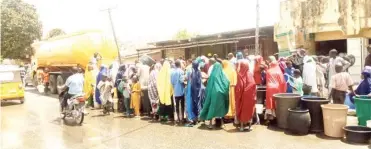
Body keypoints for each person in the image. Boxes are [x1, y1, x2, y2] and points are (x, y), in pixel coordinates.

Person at [199, 62, 230, 129]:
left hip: (212, 94)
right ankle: (221, 123)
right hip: (221, 95)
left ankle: (210, 124)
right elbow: (227, 83)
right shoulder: (222, 75)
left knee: (211, 108)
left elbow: (209, 86)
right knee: (221, 109)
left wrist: (208, 93)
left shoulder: (212, 75)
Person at [234, 60, 256, 131]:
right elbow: (252, 84)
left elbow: (238, 86)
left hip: (242, 95)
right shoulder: (249, 73)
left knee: (242, 110)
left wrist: (240, 93)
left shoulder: (239, 74)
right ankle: (249, 126)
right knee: (249, 110)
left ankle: (242, 126)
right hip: (249, 96)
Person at [265, 56, 286, 121]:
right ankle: (277, 117)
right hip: (277, 88)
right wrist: (283, 90)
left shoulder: (268, 71)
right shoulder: (279, 71)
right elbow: (282, 82)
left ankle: (270, 117)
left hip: (269, 88)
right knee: (277, 102)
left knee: (270, 102)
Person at [185, 61, 203, 127]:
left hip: (191, 90)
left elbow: (186, 78)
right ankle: (198, 118)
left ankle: (193, 119)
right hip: (198, 90)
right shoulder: (199, 72)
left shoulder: (190, 72)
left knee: (191, 103)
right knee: (197, 103)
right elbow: (200, 81)